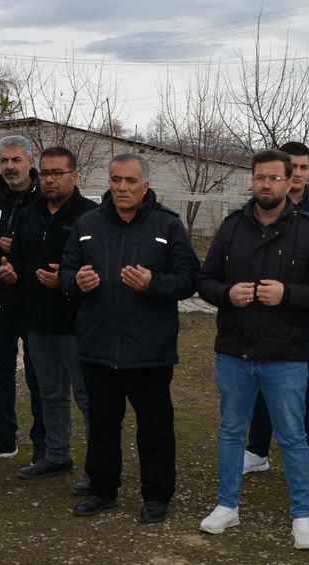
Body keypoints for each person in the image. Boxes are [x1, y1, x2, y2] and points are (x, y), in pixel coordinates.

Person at [197, 149, 309, 550]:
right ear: (252, 180)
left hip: (286, 355)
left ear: (290, 181)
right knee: (230, 431)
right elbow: (205, 280)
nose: (266, 184)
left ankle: (301, 515)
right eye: (260, 177)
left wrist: (287, 294)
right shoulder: (231, 228)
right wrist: (227, 294)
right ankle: (227, 505)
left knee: (293, 436)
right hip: (235, 350)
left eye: (274, 178)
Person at [60, 154, 200, 523]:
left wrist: (154, 283)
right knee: (102, 425)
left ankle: (157, 495)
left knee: (155, 427)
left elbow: (189, 278)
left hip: (149, 349)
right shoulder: (87, 224)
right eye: (116, 180)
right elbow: (67, 270)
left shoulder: (167, 225)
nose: (122, 187)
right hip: (98, 346)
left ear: (146, 185)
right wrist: (75, 281)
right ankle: (102, 490)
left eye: (131, 181)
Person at [243, 142, 309, 487]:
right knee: (262, 381)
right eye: (293, 167)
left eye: (304, 167)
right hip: (266, 312)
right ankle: (257, 451)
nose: (298, 173)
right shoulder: (260, 206)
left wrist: (304, 277)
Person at [0, 147, 96, 488]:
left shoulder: (91, 216)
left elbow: (100, 268)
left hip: (77, 323)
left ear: (74, 176)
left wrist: (66, 282)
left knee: (87, 398)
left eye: (57, 173)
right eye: (45, 173)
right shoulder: (30, 213)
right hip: (38, 321)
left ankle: (97, 467)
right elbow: (20, 257)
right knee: (50, 394)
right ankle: (57, 455)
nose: (50, 179)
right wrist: (12, 271)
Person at [0, 135, 45, 463]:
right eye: (4, 160)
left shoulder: (44, 196)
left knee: (38, 376)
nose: (9, 166)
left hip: (33, 301)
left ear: (30, 161)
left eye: (15, 160)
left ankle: (44, 443)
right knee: (0, 373)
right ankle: (4, 438)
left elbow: (54, 247)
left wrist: (22, 253)